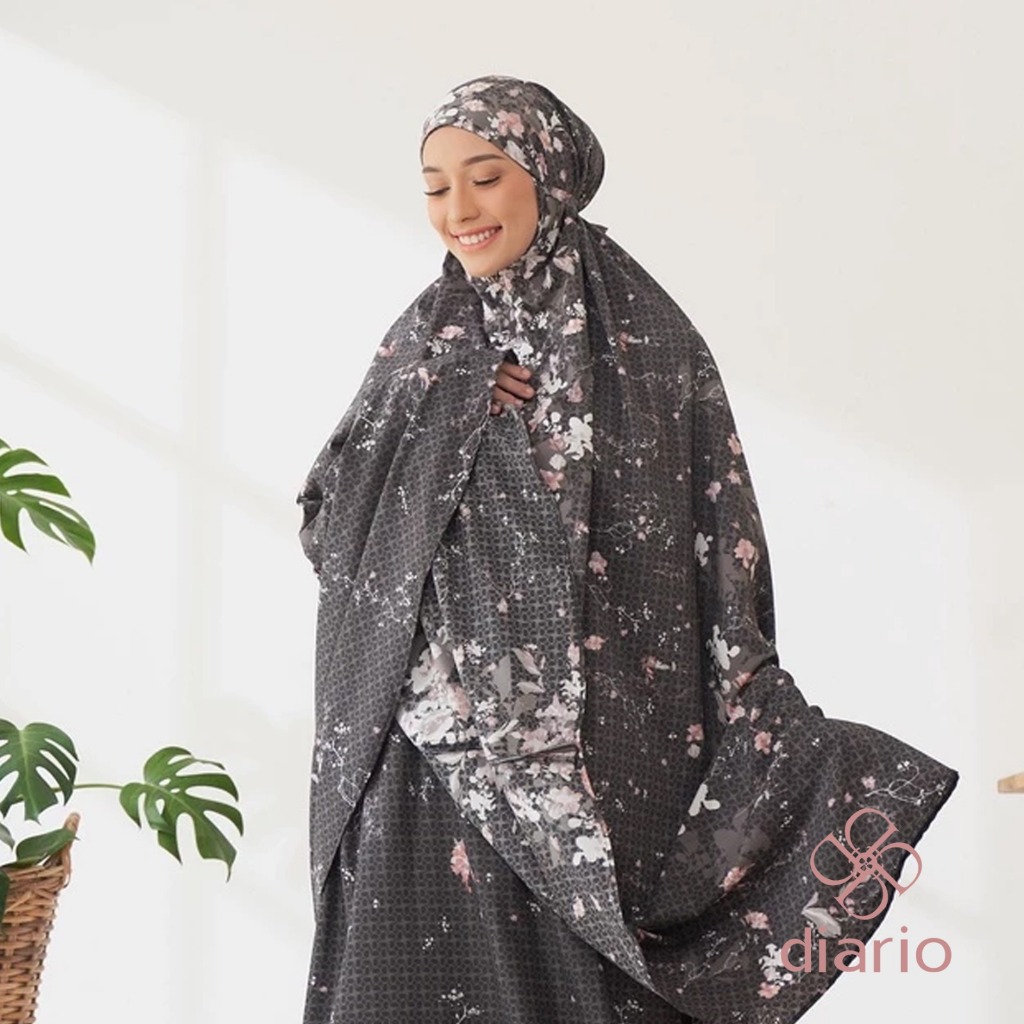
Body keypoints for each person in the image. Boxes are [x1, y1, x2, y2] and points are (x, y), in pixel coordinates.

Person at [296, 76, 958, 1024]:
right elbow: (329, 522)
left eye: (485, 177)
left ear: (547, 177)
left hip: (594, 750)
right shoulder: (427, 339)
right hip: (426, 741)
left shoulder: (648, 340)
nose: (459, 211)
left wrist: (737, 704)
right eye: (436, 187)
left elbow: (707, 539)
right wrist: (444, 406)